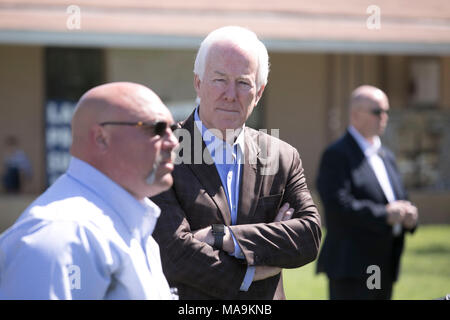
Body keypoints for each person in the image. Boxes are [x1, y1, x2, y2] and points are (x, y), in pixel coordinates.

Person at [151, 26, 322, 300]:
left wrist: (223, 237)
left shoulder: (281, 157)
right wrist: (254, 270)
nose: (231, 94)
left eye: (243, 83)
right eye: (219, 80)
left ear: (259, 92)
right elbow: (173, 254)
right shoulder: (164, 152)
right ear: (198, 82)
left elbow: (309, 236)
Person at [0, 82, 179, 299]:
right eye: (156, 128)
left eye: (173, 129)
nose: (172, 142)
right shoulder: (64, 233)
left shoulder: (127, 225)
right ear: (101, 138)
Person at [316, 85, 419, 300]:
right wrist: (386, 214)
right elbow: (337, 205)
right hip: (352, 267)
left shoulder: (386, 156)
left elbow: (399, 197)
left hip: (384, 264)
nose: (384, 117)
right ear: (356, 115)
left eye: (386, 112)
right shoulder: (337, 155)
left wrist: (409, 216)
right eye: (377, 112)